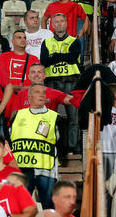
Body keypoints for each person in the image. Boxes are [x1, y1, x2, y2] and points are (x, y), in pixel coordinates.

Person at [10, 82, 60, 209]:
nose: (42, 95)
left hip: (46, 171)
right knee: (21, 208)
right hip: (22, 170)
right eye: (37, 92)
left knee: (49, 208)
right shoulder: (17, 115)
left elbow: (60, 142)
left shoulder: (54, 117)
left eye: (44, 92)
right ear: (29, 96)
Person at [39, 13, 81, 153]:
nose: (59, 24)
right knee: (48, 117)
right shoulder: (47, 42)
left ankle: (72, 148)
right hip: (51, 83)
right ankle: (49, 146)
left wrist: (55, 56)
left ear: (66, 23)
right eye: (56, 22)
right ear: (52, 25)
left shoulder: (74, 41)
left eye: (61, 21)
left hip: (71, 81)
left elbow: (73, 58)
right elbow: (44, 61)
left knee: (73, 117)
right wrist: (63, 57)